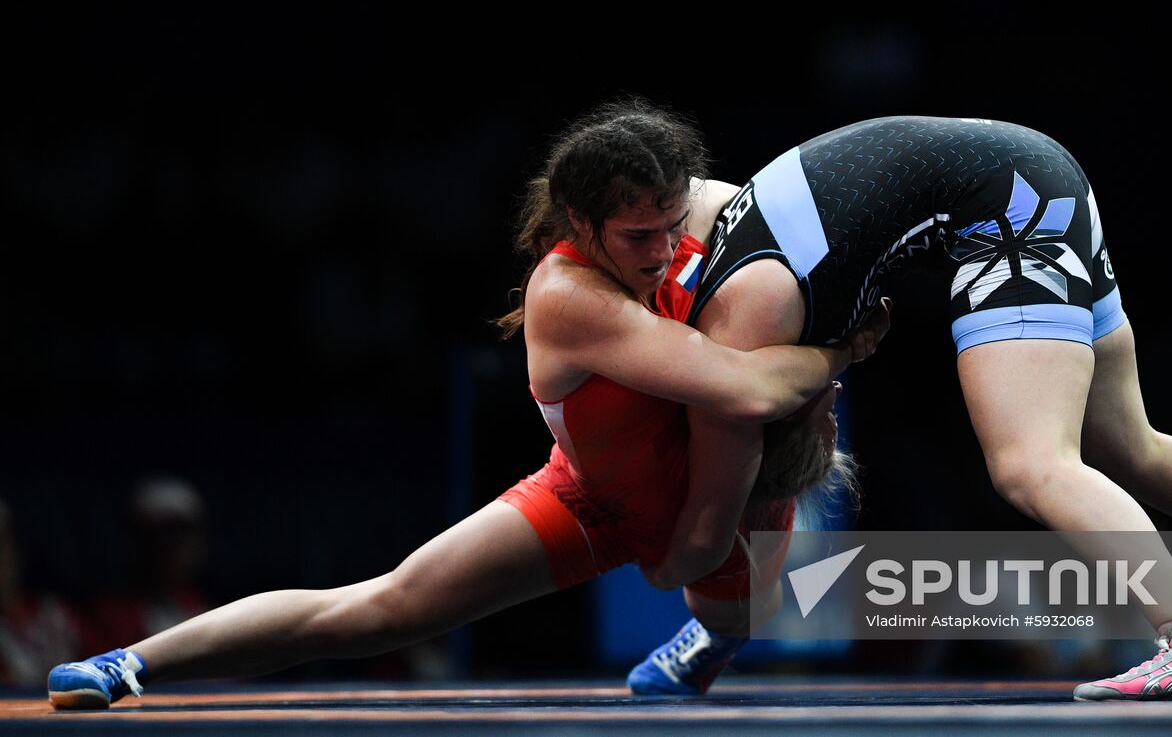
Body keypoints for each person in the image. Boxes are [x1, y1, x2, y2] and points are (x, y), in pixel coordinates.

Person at [45, 99, 889, 710]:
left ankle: (713, 637)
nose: (664, 251)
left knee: (740, 608)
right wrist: (840, 351)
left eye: (673, 224)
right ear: (579, 222)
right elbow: (745, 384)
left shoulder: (698, 209)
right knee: (379, 609)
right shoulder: (566, 294)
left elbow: (784, 237)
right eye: (639, 237)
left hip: (732, 487)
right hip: (587, 501)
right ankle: (129, 665)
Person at [626, 115, 1172, 701]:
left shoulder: (742, 308)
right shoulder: (706, 225)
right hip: (1035, 171)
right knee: (1131, 446)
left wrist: (677, 559)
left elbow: (744, 437)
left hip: (1006, 210)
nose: (833, 416)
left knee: (1031, 465)